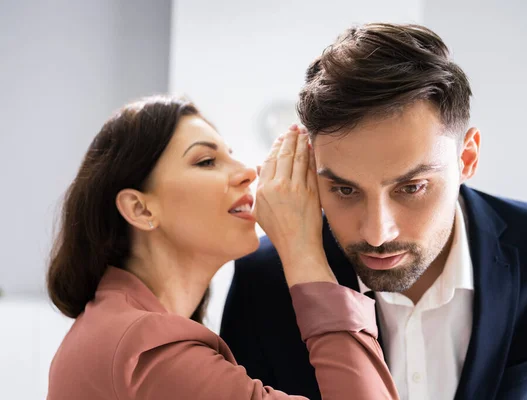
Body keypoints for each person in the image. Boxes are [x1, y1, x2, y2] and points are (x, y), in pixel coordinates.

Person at [220, 23, 527, 400]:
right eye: (345, 189)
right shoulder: (265, 276)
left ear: (466, 158)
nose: (376, 233)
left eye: (411, 188)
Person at [46, 95, 398, 399]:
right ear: (140, 208)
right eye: (206, 161)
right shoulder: (149, 351)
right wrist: (302, 251)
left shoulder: (119, 329)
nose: (248, 171)